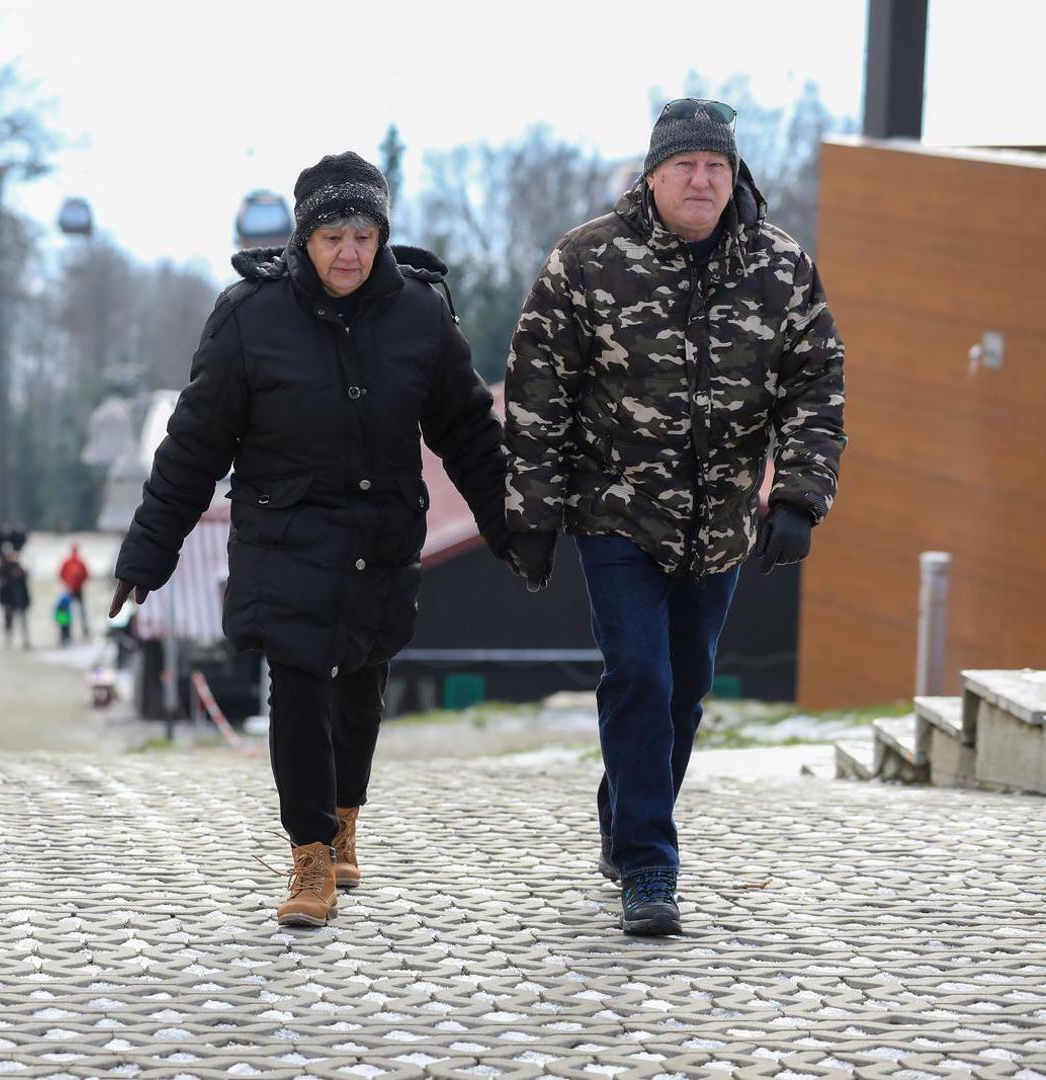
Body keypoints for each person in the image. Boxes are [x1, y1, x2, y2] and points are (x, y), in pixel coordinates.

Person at [110, 151, 511, 928]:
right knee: (296, 688)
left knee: (359, 689)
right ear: (304, 240)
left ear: (382, 235)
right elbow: (194, 448)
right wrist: (147, 555)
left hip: (381, 535)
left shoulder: (422, 314)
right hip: (283, 538)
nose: (348, 252)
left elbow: (467, 432)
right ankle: (310, 857)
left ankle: (344, 815)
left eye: (363, 233)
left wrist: (509, 531)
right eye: (331, 235)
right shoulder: (247, 317)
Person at [502, 98, 846, 936]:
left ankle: (625, 821)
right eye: (685, 166)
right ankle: (650, 867)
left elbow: (816, 385)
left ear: (735, 179)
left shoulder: (780, 266)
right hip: (617, 512)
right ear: (652, 174)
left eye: (716, 168)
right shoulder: (587, 261)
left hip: (722, 520)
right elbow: (539, 393)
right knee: (641, 679)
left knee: (685, 691)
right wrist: (532, 515)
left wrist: (798, 496)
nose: (701, 180)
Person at [0, 547, 31, 649]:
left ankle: (25, 640)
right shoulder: (3, 568)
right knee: (9, 621)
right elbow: (1, 583)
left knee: (23, 621)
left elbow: (25, 584)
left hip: (20, 600)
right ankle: (8, 640)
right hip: (9, 601)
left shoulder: (20, 568)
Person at [59, 543, 91, 639]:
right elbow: (86, 575)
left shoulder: (67, 561)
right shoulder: (80, 561)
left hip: (69, 590)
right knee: (81, 612)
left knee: (65, 610)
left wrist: (67, 584)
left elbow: (61, 574)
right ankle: (84, 631)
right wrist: (80, 584)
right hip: (77, 590)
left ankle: (65, 633)